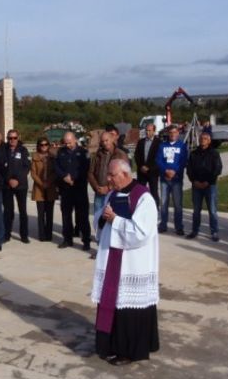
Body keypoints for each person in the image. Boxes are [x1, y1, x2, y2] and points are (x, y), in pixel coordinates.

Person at [92, 158, 159, 366]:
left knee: (129, 307)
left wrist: (116, 220)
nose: (108, 179)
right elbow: (99, 218)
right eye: (108, 175)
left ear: (125, 174)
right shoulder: (112, 194)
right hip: (112, 256)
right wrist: (103, 217)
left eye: (112, 175)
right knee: (113, 302)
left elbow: (142, 233)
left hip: (133, 261)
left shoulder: (143, 197)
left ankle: (130, 351)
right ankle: (111, 345)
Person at [55, 131, 91, 251]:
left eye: (70, 143)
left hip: (79, 188)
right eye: (66, 143)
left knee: (83, 216)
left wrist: (74, 178)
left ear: (75, 140)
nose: (68, 145)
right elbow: (57, 167)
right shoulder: (61, 152)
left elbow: (85, 169)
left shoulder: (83, 152)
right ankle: (67, 239)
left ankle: (86, 241)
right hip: (65, 189)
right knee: (66, 215)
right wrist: (65, 176)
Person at [186, 132, 223, 241]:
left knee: (212, 210)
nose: (203, 140)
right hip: (196, 185)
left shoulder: (214, 153)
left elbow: (218, 169)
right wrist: (194, 181)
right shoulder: (193, 153)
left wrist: (208, 181)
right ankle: (195, 230)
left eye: (206, 138)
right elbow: (189, 169)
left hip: (210, 186)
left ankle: (214, 231)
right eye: (201, 138)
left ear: (209, 140)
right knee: (196, 210)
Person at [89, 132, 128, 232]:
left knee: (112, 218)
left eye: (107, 140)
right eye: (102, 141)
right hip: (99, 192)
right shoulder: (98, 154)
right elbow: (90, 173)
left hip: (113, 193)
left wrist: (109, 188)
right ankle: (99, 240)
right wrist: (96, 187)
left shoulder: (120, 154)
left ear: (112, 140)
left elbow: (124, 175)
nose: (105, 143)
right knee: (98, 218)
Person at [156, 126, 188, 235]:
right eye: (171, 132)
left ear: (178, 133)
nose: (173, 134)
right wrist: (166, 171)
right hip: (164, 179)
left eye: (175, 132)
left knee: (178, 204)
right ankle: (163, 225)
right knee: (164, 203)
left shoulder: (182, 146)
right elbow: (158, 160)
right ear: (168, 134)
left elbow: (183, 161)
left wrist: (174, 171)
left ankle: (179, 226)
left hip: (177, 180)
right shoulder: (162, 146)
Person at [3, 129, 31, 243]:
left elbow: (27, 167)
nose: (12, 140)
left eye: (14, 138)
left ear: (18, 138)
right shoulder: (3, 150)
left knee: (22, 211)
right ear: (7, 138)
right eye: (10, 138)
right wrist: (9, 180)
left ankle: (24, 235)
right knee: (8, 211)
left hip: (21, 185)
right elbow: (0, 167)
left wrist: (17, 180)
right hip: (7, 185)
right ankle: (6, 234)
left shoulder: (23, 150)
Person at [30, 136, 57, 241]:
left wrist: (49, 182)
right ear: (38, 146)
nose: (44, 146)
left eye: (46, 144)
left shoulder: (53, 157)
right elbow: (33, 173)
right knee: (41, 214)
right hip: (39, 188)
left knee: (49, 213)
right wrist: (41, 183)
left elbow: (55, 171)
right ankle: (41, 235)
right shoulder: (35, 157)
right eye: (42, 145)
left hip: (50, 187)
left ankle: (49, 235)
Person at [134, 123, 161, 206]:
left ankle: (155, 210)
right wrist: (141, 166)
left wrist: (148, 167)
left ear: (154, 131)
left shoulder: (159, 143)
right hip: (141, 172)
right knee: (140, 192)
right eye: (146, 130)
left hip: (152, 172)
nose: (147, 132)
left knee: (154, 192)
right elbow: (137, 155)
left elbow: (158, 158)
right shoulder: (141, 142)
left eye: (149, 130)